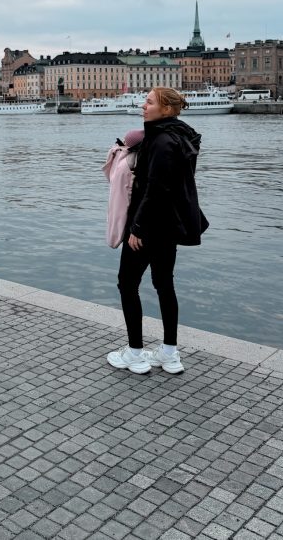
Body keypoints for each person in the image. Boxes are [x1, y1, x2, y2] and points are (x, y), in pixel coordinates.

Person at [107, 87, 208, 375]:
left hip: (149, 226)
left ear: (166, 109)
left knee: (127, 284)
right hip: (169, 226)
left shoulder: (161, 141)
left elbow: (155, 189)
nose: (143, 105)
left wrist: (137, 228)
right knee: (164, 284)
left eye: (149, 102)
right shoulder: (180, 137)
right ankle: (169, 353)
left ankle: (135, 353)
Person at [102, 128, 144, 249]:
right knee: (120, 210)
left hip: (119, 197)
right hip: (131, 211)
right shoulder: (130, 160)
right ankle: (114, 238)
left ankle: (113, 239)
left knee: (116, 212)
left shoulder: (117, 153)